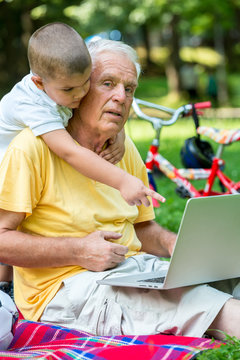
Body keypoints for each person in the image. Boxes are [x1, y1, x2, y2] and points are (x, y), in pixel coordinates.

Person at [0, 39, 239, 340]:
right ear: (81, 88)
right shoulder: (31, 148)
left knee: (228, 277)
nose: (121, 97)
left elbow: (141, 227)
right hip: (64, 290)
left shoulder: (122, 150)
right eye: (108, 83)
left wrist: (172, 244)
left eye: (129, 89)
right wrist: (78, 250)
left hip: (131, 269)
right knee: (215, 308)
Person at [0, 23, 164, 292]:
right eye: (106, 83)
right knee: (10, 223)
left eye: (85, 84)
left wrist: (118, 133)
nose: (78, 95)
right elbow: (70, 151)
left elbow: (144, 226)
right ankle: (5, 289)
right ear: (39, 81)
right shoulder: (34, 114)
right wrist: (122, 180)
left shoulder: (60, 83)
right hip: (6, 161)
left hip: (122, 270)